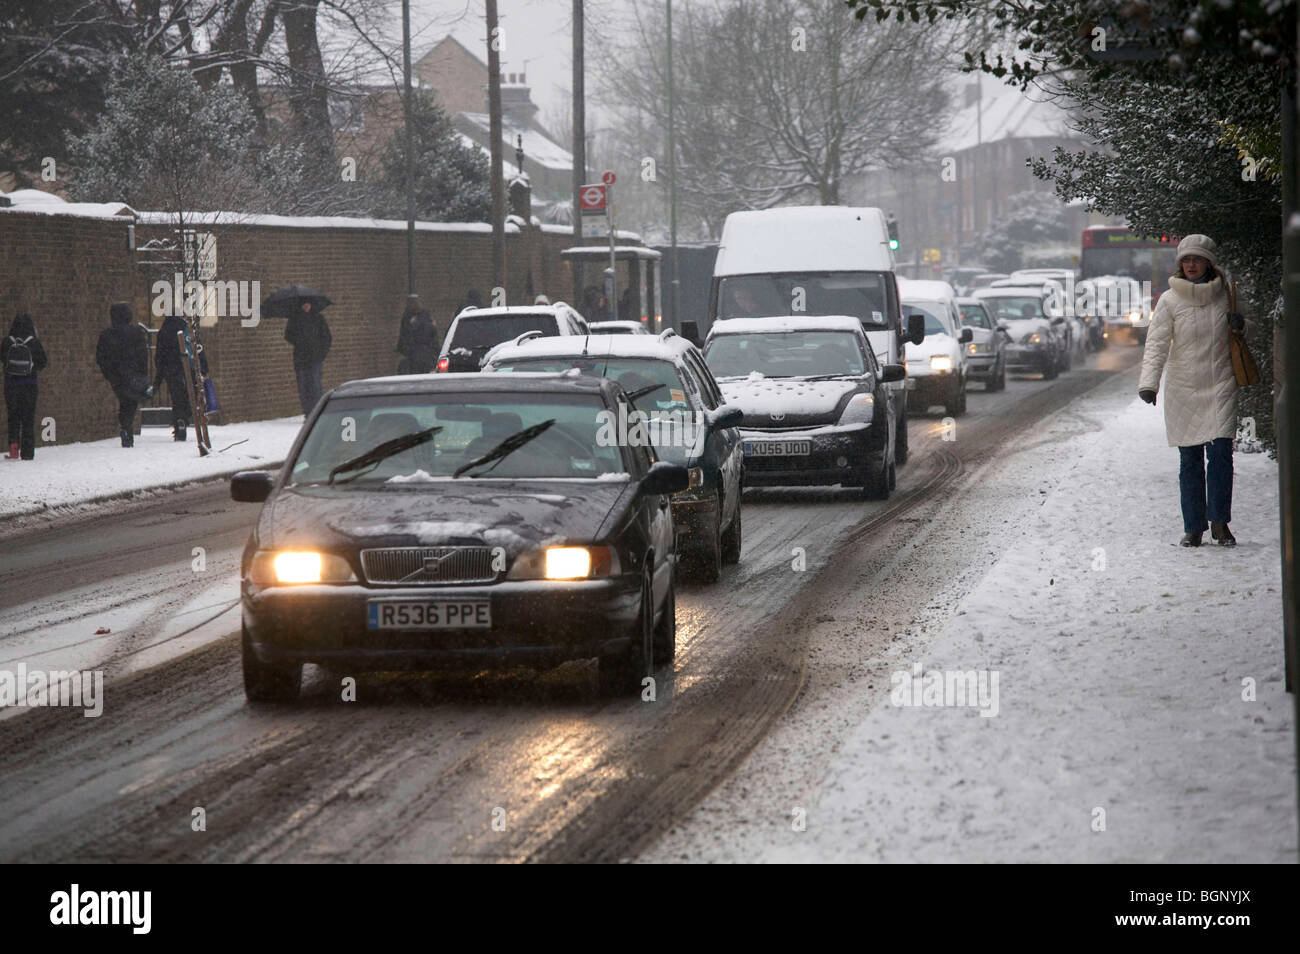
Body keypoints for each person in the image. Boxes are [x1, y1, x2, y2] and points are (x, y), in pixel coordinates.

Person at [1138, 234, 1244, 547]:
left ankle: (1220, 523)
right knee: (1190, 461)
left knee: (1222, 455)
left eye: (1197, 259)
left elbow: (1246, 328)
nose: (1191, 265)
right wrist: (1148, 383)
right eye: (1186, 260)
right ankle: (1194, 527)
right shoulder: (1169, 300)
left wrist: (1241, 324)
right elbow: (1156, 344)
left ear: (1209, 263)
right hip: (1184, 388)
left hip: (1221, 382)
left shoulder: (1228, 293)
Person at [96, 302, 149, 447]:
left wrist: (109, 374)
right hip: (132, 374)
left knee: (124, 401)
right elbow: (143, 355)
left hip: (116, 377)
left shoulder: (106, 335)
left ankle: (126, 428)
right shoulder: (136, 333)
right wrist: (142, 373)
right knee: (130, 403)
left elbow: (100, 357)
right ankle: (126, 428)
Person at [2, 312, 48, 460]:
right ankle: (27, 452)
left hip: (11, 387)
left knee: (13, 417)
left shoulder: (7, 342)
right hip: (30, 386)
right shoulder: (33, 342)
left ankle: (14, 449)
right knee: (28, 418)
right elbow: (43, 362)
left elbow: (3, 359)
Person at [284, 298, 332, 416]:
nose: (306, 306)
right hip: (300, 358)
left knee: (315, 386)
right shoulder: (295, 319)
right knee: (303, 387)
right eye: (304, 304)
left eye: (308, 304)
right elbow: (288, 335)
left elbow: (327, 338)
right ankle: (307, 412)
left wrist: (321, 353)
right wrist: (299, 340)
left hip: (315, 358)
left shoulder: (318, 319)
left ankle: (316, 412)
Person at [152, 312, 192, 441]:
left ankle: (179, 421)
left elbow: (159, 355)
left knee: (176, 398)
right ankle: (184, 419)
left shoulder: (164, 331)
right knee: (187, 396)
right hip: (186, 368)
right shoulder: (185, 328)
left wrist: (160, 374)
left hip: (170, 370)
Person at [396, 303, 438, 374]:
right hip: (428, 358)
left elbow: (405, 341)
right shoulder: (430, 326)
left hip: (414, 357)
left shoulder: (411, 325)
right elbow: (435, 343)